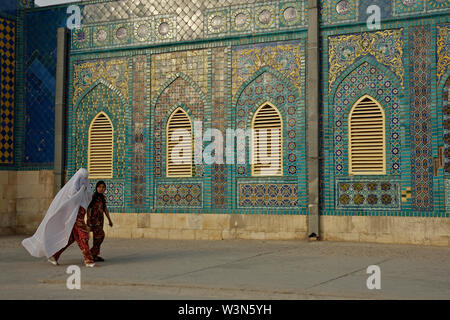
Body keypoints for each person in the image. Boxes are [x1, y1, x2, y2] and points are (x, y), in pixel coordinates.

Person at [22, 168, 96, 267]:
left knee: (70, 238)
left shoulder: (85, 189)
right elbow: (72, 197)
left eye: (86, 178)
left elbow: (87, 199)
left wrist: (84, 191)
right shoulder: (73, 189)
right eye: (82, 177)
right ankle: (89, 260)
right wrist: (81, 191)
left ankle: (54, 256)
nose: (84, 180)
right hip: (74, 217)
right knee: (84, 236)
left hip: (79, 217)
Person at [87, 180, 113, 262]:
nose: (101, 189)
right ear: (96, 188)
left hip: (100, 220)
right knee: (101, 235)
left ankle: (94, 255)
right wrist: (88, 219)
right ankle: (91, 253)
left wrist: (109, 219)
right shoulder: (93, 197)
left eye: (103, 187)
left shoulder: (103, 198)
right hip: (94, 220)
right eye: (99, 187)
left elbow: (105, 209)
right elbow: (88, 208)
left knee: (97, 238)